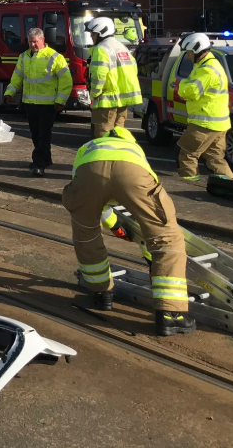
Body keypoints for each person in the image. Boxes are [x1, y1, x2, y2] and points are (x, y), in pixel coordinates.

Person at [63, 126, 194, 336]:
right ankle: (170, 315)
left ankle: (102, 293)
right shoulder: (133, 148)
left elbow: (97, 201)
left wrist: (114, 224)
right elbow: (142, 189)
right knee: (166, 238)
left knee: (86, 233)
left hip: (89, 172)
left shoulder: (88, 147)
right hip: (132, 172)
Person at [4, 27, 71, 177]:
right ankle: (45, 159)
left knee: (43, 134)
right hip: (30, 103)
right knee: (35, 134)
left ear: (43, 41)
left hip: (48, 105)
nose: (33, 45)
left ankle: (39, 164)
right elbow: (17, 78)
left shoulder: (54, 57)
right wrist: (9, 92)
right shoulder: (24, 57)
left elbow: (66, 81)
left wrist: (61, 101)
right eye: (30, 42)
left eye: (35, 42)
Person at [175, 33, 233, 180]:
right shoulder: (209, 65)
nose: (187, 56)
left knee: (187, 154)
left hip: (205, 123)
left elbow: (191, 91)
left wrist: (182, 84)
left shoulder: (207, 70)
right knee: (215, 159)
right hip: (218, 123)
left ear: (197, 50)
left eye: (188, 52)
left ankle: (188, 186)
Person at [85, 16, 142, 138]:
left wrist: (94, 94)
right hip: (122, 103)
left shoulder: (101, 49)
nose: (91, 36)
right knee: (118, 138)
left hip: (106, 103)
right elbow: (133, 70)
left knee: (103, 139)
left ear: (101, 33)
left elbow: (99, 75)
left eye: (93, 33)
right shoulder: (123, 48)